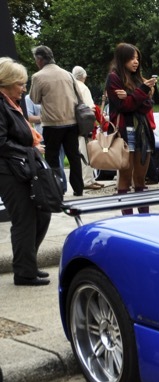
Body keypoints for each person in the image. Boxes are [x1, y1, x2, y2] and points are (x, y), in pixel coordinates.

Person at [0, 57, 51, 286]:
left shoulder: (11, 103)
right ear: (6, 82)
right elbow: (1, 143)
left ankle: (27, 264)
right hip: (8, 172)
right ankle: (24, 272)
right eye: (20, 83)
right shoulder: (2, 105)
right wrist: (30, 150)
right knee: (24, 219)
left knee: (41, 213)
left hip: (20, 169)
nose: (23, 88)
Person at [105, 42, 158, 213]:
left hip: (142, 132)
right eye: (132, 58)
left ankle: (144, 218)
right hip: (124, 134)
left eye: (137, 58)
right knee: (125, 178)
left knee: (141, 179)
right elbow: (124, 107)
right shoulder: (114, 78)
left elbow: (147, 105)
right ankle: (127, 219)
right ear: (123, 59)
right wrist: (140, 92)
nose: (136, 62)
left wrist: (130, 95)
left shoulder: (138, 78)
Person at [29, 45, 84, 196]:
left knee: (52, 158)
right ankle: (78, 189)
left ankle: (56, 190)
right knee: (74, 157)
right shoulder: (68, 74)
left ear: (39, 60)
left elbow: (34, 99)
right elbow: (78, 95)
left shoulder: (38, 77)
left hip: (52, 124)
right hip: (71, 122)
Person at [72, 66, 103, 190]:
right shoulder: (83, 88)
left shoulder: (72, 86)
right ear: (84, 76)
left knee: (81, 152)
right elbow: (91, 108)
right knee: (87, 152)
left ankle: (88, 179)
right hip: (85, 125)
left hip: (75, 124)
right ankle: (88, 180)